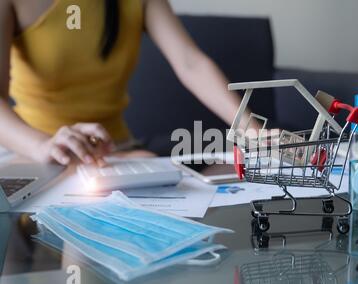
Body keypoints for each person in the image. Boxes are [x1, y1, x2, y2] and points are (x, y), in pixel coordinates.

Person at [0, 0, 245, 165]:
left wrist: (249, 128)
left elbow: (190, 62)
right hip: (32, 150)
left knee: (225, 169)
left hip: (117, 152)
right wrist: (43, 146)